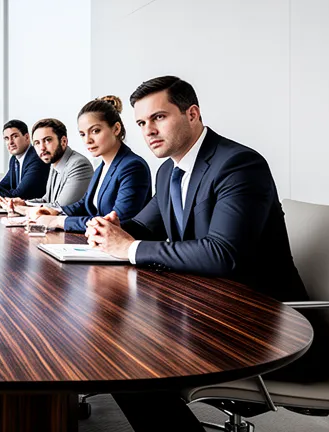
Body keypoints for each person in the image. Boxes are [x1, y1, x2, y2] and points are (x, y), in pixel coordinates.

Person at [82, 76, 310, 432]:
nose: (148, 131)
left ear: (192, 114)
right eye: (142, 123)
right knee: (108, 340)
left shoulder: (239, 164)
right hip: (203, 309)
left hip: (258, 324)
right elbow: (142, 226)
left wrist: (129, 248)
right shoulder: (168, 170)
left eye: (159, 117)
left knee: (123, 359)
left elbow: (223, 254)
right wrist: (110, 227)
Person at [29, 97, 151, 232]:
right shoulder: (101, 168)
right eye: (82, 134)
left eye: (95, 131)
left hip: (121, 247)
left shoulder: (132, 166)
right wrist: (54, 211)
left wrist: (59, 221)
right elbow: (85, 204)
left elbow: (116, 221)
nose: (87, 140)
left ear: (116, 129)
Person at [0, 118, 92, 211]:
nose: (42, 148)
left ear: (63, 141)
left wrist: (21, 208)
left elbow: (60, 208)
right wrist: (24, 203)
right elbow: (46, 200)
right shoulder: (53, 162)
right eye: (37, 143)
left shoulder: (79, 165)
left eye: (47, 140)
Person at [0, 119, 48, 201]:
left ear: (27, 137)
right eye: (6, 138)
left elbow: (20, 195)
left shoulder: (36, 158)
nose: (10, 142)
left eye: (15, 136)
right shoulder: (14, 159)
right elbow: (4, 185)